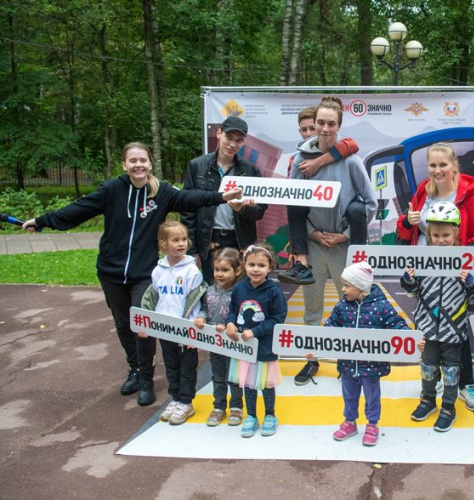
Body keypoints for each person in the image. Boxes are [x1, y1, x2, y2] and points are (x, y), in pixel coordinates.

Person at [22, 142, 242, 407]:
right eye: (133, 161)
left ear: (150, 164)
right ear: (124, 165)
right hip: (110, 270)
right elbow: (79, 209)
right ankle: (135, 369)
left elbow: (190, 197)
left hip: (143, 272)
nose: (138, 165)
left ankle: (147, 378)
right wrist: (43, 220)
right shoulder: (111, 190)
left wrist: (221, 197)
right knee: (123, 324)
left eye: (143, 160)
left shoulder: (162, 192)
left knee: (143, 323)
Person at [279, 96, 378, 385]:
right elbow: (294, 203)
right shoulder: (300, 161)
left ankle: (352, 358)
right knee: (312, 307)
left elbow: (370, 204)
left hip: (343, 245)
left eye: (330, 123)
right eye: (320, 123)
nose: (324, 128)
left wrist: (345, 236)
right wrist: (310, 234)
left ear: (339, 126)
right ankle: (311, 360)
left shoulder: (352, 162)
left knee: (352, 305)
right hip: (313, 244)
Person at [396, 142, 474, 412]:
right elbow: (405, 233)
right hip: (425, 264)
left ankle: (465, 383)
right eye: (432, 165)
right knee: (429, 321)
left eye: (442, 165)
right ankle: (432, 384)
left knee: (456, 322)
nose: (437, 170)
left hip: (455, 266)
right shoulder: (423, 191)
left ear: (454, 166)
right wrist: (406, 221)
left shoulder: (467, 193)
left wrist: (466, 258)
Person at [401, 202, 474, 432]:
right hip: (427, 326)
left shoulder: (464, 261)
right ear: (429, 235)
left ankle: (448, 407)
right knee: (427, 366)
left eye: (446, 234)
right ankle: (427, 401)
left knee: (451, 369)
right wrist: (408, 278)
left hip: (453, 329)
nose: (441, 239)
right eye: (435, 235)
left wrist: (471, 283)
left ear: (456, 233)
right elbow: (412, 291)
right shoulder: (422, 260)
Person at [327, 261, 411, 447]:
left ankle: (372, 425)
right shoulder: (341, 306)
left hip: (373, 366)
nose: (343, 289)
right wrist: (313, 347)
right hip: (348, 365)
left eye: (347, 285)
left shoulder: (382, 307)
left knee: (372, 397)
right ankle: (350, 423)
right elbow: (329, 329)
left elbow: (398, 325)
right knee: (349, 396)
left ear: (361, 287)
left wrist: (412, 340)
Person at [181, 116, 267, 284]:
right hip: (208, 239)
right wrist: (192, 250)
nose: (232, 144)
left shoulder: (251, 171)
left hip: (239, 239)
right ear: (219, 134)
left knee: (241, 290)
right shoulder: (197, 166)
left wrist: (242, 209)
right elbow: (188, 209)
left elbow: (259, 212)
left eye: (239, 140)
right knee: (211, 289)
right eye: (229, 137)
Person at [138, 221, 205, 425]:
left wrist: (194, 324)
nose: (181, 243)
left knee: (187, 366)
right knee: (171, 365)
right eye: (175, 240)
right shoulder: (158, 271)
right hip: (165, 328)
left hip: (186, 331)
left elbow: (197, 300)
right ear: (163, 244)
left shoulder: (192, 271)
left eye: (184, 239)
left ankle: (186, 402)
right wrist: (145, 323)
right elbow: (152, 298)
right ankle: (175, 398)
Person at [226, 243, 287, 438]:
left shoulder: (274, 291)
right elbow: (233, 311)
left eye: (261, 265)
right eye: (251, 264)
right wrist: (230, 323)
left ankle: (270, 415)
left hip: (265, 347)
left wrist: (255, 331)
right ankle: (251, 416)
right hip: (244, 349)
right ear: (244, 265)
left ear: (270, 267)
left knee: (266, 384)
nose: (256, 269)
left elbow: (277, 319)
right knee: (248, 384)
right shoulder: (239, 288)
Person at [194, 247, 244, 427]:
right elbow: (205, 309)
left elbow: (243, 315)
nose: (219, 274)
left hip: (234, 344)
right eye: (217, 270)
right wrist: (200, 317)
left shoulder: (240, 292)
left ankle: (237, 407)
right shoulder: (209, 291)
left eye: (225, 270)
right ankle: (219, 407)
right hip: (215, 344)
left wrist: (234, 327)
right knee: (218, 375)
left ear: (237, 270)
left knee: (234, 377)